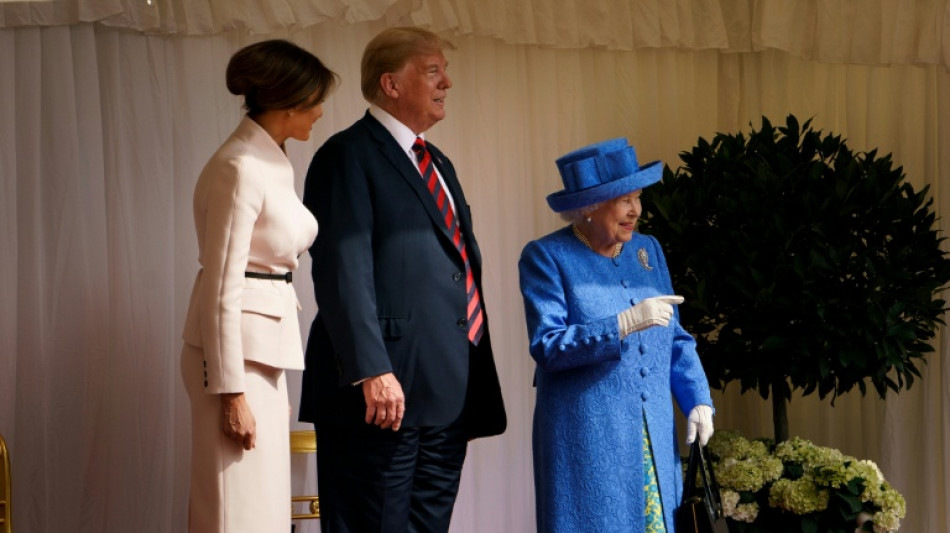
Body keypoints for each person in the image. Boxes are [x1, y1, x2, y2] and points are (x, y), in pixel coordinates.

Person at [298, 27, 507, 533]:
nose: (447, 82)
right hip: (379, 395)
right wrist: (372, 369)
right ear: (391, 84)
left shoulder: (438, 163)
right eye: (433, 71)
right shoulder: (345, 155)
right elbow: (342, 271)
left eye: (445, 71)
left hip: (445, 394)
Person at [518, 138, 715, 533]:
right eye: (624, 200)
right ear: (589, 207)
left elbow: (674, 337)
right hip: (588, 438)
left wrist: (697, 399)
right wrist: (622, 324)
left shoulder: (648, 250)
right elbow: (548, 346)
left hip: (652, 433)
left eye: (637, 197)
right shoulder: (546, 257)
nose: (636, 210)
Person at [179, 39, 337, 532]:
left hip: (258, 352)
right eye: (315, 100)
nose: (321, 111)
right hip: (234, 361)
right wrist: (231, 393)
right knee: (237, 511)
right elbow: (222, 285)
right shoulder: (241, 166)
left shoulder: (269, 159)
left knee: (261, 510)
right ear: (289, 103)